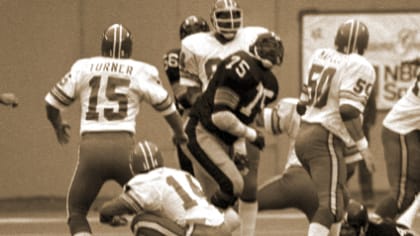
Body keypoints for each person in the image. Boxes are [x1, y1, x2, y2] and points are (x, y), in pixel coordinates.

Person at [44, 24, 187, 236]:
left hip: (90, 150)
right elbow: (167, 106)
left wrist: (58, 126)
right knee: (155, 208)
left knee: (77, 212)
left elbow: (51, 103)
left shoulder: (84, 67)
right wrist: (179, 133)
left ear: (103, 46)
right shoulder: (141, 70)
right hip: (125, 151)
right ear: (130, 49)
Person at [179, 1, 278, 235]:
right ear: (213, 18)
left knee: (248, 185)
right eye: (224, 15)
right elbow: (190, 91)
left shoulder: (253, 37)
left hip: (243, 118)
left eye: (234, 15)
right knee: (217, 189)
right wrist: (208, 105)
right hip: (211, 123)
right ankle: (206, 228)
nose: (230, 20)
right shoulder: (195, 44)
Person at [295, 19, 376, 236]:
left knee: (338, 203)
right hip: (325, 137)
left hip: (305, 133)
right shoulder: (360, 65)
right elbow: (348, 110)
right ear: (363, 45)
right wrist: (363, 147)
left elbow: (302, 104)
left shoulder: (320, 54)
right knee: (330, 208)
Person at [99, 140, 240, 236]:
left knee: (140, 221)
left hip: (198, 232)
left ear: (133, 166)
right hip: (221, 228)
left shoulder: (145, 182)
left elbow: (107, 210)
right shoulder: (181, 174)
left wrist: (110, 219)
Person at [371, 58, 420, 231]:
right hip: (401, 130)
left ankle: (398, 230)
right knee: (402, 195)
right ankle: (367, 229)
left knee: (412, 191)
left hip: (412, 131)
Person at [163, 15, 210, 176]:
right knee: (190, 173)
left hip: (213, 118)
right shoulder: (176, 57)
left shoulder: (214, 57)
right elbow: (183, 96)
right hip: (188, 119)